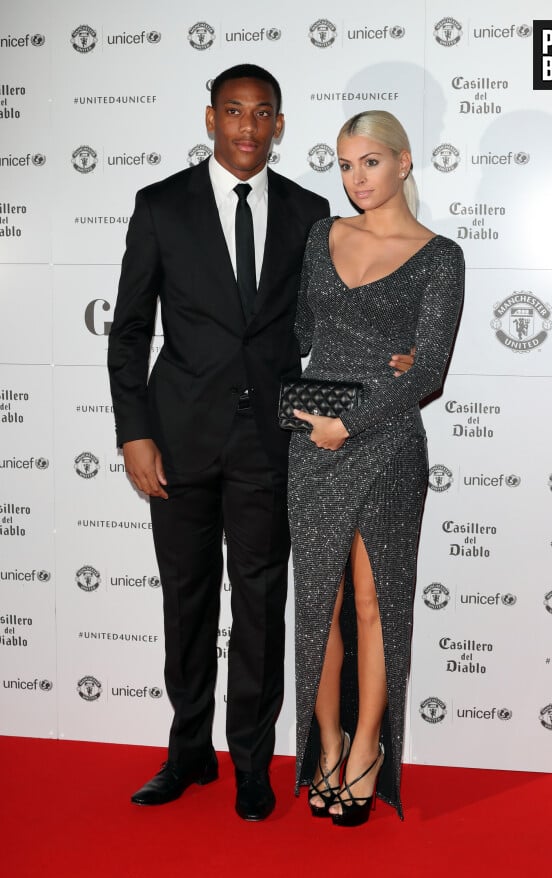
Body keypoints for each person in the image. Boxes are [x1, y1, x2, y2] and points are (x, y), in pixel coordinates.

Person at [108, 65, 414, 822]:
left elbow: (338, 318)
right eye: (234, 111)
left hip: (273, 447)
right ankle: (187, 752)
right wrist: (134, 431)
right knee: (186, 602)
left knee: (261, 604)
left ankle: (251, 761)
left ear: (279, 125)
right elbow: (129, 331)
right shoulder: (160, 206)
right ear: (210, 118)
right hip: (175, 441)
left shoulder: (313, 215)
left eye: (263, 113)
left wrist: (397, 356)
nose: (247, 126)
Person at [288, 110, 464, 826]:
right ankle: (325, 740)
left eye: (369, 162)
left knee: (373, 601)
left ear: (404, 162)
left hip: (386, 441)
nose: (356, 178)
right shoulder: (320, 235)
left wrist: (355, 419)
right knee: (318, 604)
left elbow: (429, 370)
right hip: (312, 441)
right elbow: (299, 328)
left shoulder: (439, 255)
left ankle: (367, 749)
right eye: (345, 164)